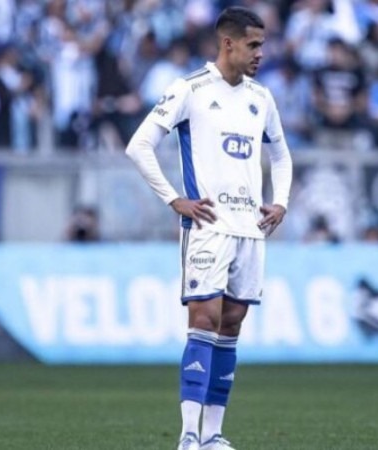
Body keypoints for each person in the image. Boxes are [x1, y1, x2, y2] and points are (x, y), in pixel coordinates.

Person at [125, 6, 292, 450]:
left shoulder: (262, 97)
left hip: (250, 229)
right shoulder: (190, 89)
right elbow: (139, 145)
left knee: (232, 324)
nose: (261, 53)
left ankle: (214, 435)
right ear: (228, 43)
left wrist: (281, 201)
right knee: (204, 318)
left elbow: (282, 156)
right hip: (208, 225)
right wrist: (173, 198)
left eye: (263, 44)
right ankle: (188, 436)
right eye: (253, 45)